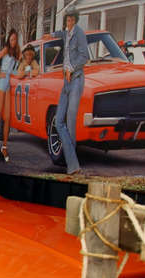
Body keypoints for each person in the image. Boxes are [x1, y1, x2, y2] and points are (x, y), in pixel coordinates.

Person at [52, 6, 88, 175]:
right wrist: (50, 35)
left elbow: (84, 56)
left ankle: (72, 165)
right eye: (68, 20)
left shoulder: (80, 34)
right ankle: (73, 163)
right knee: (59, 120)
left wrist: (71, 69)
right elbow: (60, 34)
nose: (70, 22)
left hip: (76, 80)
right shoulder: (66, 34)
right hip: (66, 83)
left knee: (71, 121)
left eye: (72, 19)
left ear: (76, 20)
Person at [0, 28, 20, 163]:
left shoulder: (15, 51)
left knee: (7, 118)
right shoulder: (6, 50)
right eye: (11, 39)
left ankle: (4, 147)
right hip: (2, 82)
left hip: (9, 83)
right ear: (9, 39)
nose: (13, 42)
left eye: (15, 40)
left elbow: (19, 63)